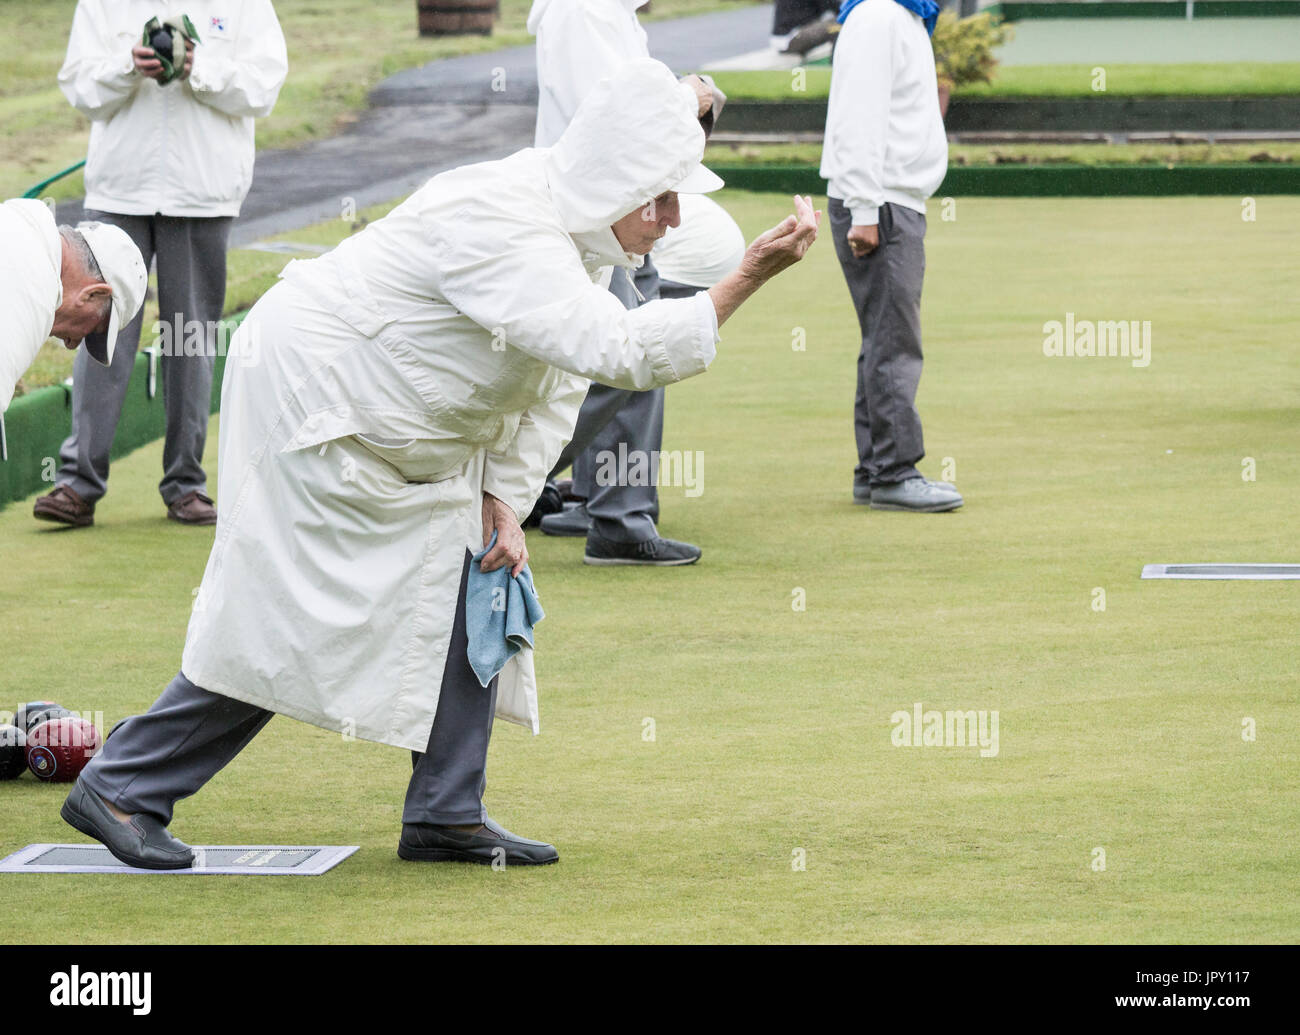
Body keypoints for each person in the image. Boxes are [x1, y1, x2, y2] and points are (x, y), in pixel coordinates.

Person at [60, 60, 821, 870]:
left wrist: (504, 498)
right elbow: (619, 349)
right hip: (314, 397)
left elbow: (557, 385)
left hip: (407, 416)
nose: (674, 218)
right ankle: (122, 785)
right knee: (282, 614)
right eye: (661, 197)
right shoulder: (504, 221)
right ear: (616, 180)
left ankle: (446, 811)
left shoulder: (586, 237)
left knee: (482, 569)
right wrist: (747, 278)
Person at [34, 0, 288, 529]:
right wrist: (128, 67)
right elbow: (80, 88)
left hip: (203, 194)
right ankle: (77, 483)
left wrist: (200, 69)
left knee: (190, 337)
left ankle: (186, 483)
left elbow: (263, 88)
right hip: (119, 191)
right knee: (100, 330)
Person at [529, 0, 725, 565]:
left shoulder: (607, 11)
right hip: (606, 212)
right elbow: (615, 116)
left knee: (628, 358)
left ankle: (608, 505)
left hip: (623, 205)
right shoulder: (586, 10)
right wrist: (691, 96)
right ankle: (507, 482)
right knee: (623, 362)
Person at [821, 0, 962, 513]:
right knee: (895, 340)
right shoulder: (879, 16)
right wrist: (863, 209)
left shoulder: (900, 15)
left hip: (889, 199)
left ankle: (876, 467)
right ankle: (893, 471)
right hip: (880, 203)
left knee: (885, 335)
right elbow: (861, 117)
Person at [0, 199, 147, 416]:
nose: (71, 344)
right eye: (92, 329)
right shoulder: (36, 293)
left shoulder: (20, 219)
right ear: (93, 294)